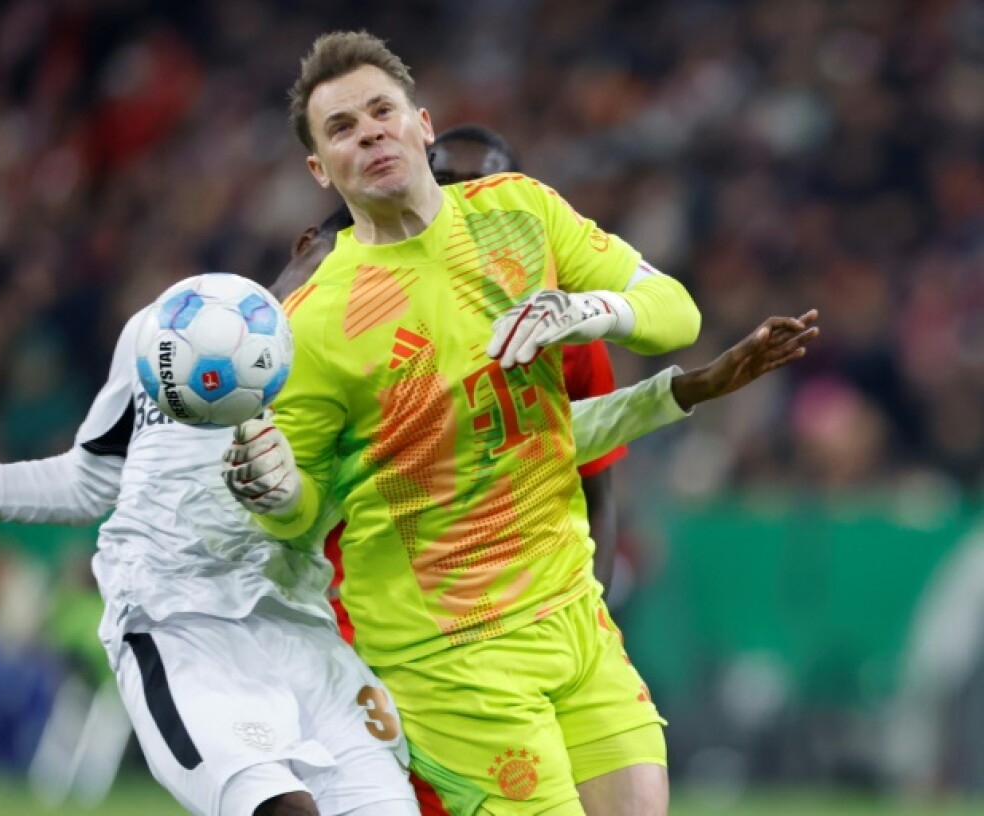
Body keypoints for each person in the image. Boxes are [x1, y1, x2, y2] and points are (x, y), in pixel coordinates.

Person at [224, 30, 703, 816]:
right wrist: (275, 493)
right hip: (448, 655)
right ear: (320, 169)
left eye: (382, 111)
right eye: (342, 127)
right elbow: (300, 517)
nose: (369, 132)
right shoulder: (309, 323)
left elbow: (676, 312)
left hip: (571, 614)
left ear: (422, 125)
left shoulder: (522, 211)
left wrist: (590, 310)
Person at [0, 297, 421, 816]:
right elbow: (88, 481)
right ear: (308, 242)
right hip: (180, 628)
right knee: (280, 806)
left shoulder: (362, 354)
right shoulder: (162, 332)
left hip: (304, 631)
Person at [431, 124, 627, 596]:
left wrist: (598, 606)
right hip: (386, 601)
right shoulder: (367, 308)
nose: (461, 199)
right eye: (443, 182)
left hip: (522, 595)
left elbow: (597, 492)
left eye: (481, 185)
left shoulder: (566, 333)